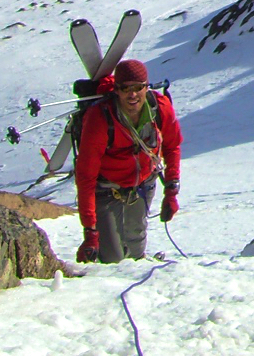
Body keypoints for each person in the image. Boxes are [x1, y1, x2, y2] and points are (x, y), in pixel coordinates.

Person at [74, 58, 182, 263]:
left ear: (146, 87)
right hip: (106, 189)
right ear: (116, 90)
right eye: (125, 88)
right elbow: (86, 176)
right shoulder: (100, 118)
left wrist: (171, 191)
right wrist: (90, 231)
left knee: (136, 248)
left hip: (143, 183)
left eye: (138, 88)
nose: (132, 95)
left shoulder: (160, 108)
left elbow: (172, 146)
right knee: (113, 259)